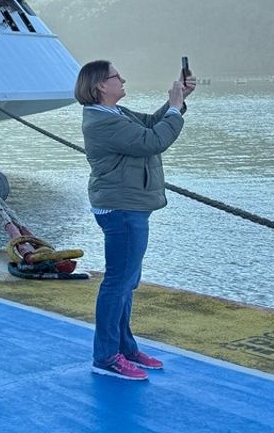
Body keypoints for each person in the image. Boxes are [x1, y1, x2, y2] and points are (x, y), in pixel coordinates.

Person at [75, 60, 195, 381]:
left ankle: (125, 348)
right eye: (117, 76)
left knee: (126, 282)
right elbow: (152, 142)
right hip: (121, 209)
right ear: (101, 85)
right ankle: (106, 357)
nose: (123, 79)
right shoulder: (102, 122)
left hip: (129, 206)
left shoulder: (114, 114)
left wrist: (178, 101)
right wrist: (173, 106)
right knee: (118, 282)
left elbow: (152, 125)